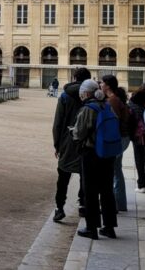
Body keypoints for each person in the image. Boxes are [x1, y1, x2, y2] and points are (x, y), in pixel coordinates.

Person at [72, 79, 118, 239]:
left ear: (85, 93)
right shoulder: (107, 105)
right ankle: (109, 227)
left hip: (91, 153)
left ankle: (91, 228)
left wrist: (73, 132)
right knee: (107, 190)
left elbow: (79, 133)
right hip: (108, 152)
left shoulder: (88, 109)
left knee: (90, 191)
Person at [51, 67, 92, 222]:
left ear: (74, 78)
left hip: (67, 141)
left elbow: (58, 123)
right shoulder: (92, 95)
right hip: (86, 142)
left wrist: (57, 145)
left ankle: (59, 207)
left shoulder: (65, 96)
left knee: (63, 176)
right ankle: (82, 204)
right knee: (84, 175)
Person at [100, 75, 131, 212]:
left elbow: (113, 122)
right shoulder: (114, 99)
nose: (100, 85)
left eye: (102, 83)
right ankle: (120, 203)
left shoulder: (112, 100)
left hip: (118, 138)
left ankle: (116, 203)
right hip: (121, 137)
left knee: (114, 171)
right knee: (116, 170)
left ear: (107, 85)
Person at [128, 82, 145, 193]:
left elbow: (131, 116)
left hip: (138, 133)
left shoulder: (134, 100)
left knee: (139, 158)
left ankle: (142, 184)